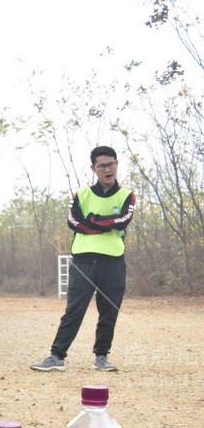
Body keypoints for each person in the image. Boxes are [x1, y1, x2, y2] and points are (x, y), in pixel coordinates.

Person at [31, 146, 136, 373]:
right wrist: (104, 223)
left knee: (109, 311)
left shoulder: (127, 195)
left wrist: (93, 222)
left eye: (111, 164)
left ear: (116, 164)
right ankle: (57, 356)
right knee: (74, 310)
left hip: (113, 262)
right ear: (93, 169)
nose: (107, 169)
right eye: (102, 166)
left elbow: (122, 221)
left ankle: (101, 357)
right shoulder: (81, 195)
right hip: (84, 262)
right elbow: (73, 222)